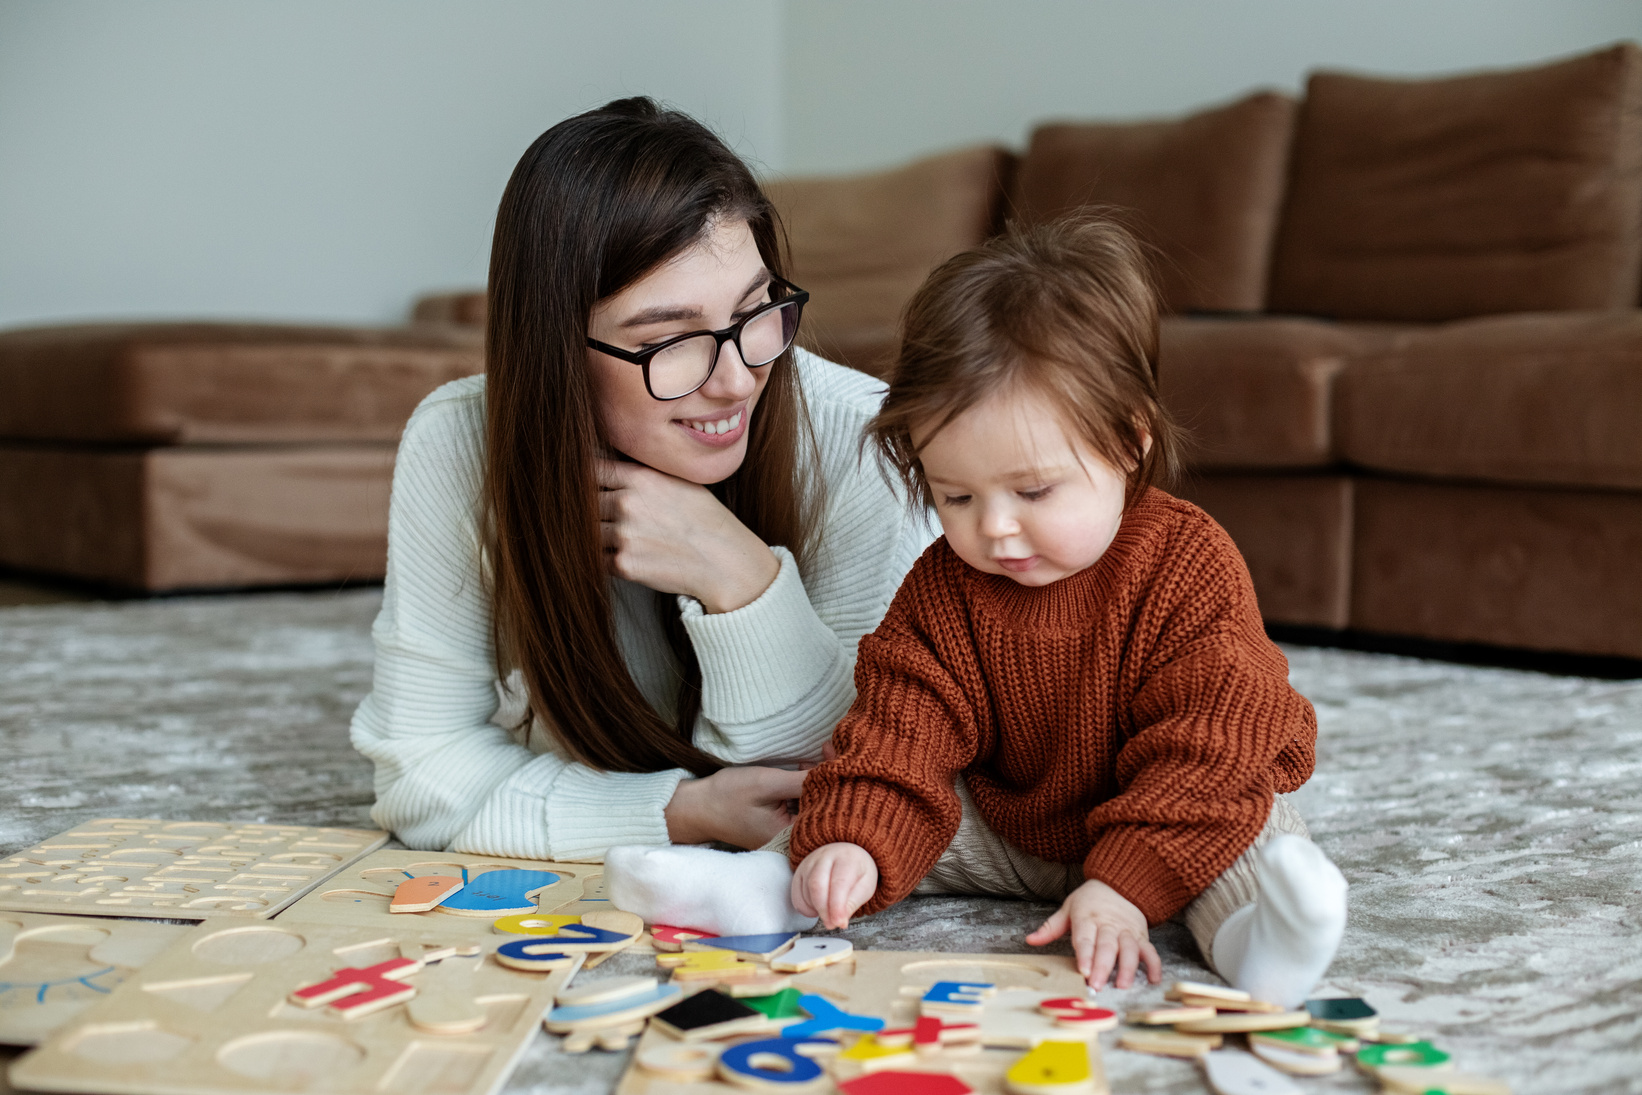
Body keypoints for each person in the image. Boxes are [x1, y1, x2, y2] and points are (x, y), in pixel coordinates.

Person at [610, 215, 1348, 1006]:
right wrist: (852, 840)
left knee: (1251, 827)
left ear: (1129, 442)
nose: (994, 527)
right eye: (955, 495)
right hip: (1012, 828)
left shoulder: (1186, 563)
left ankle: (1259, 945)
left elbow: (1213, 740)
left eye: (1033, 491)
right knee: (872, 799)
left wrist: (1125, 886)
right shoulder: (946, 585)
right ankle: (764, 889)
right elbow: (903, 725)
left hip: (1158, 810)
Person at [349, 97, 933, 880]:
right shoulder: (460, 439)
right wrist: (676, 812)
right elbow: (421, 774)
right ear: (558, 346)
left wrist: (740, 579)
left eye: (756, 310)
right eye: (669, 342)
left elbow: (848, 789)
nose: (736, 379)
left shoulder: (866, 443)